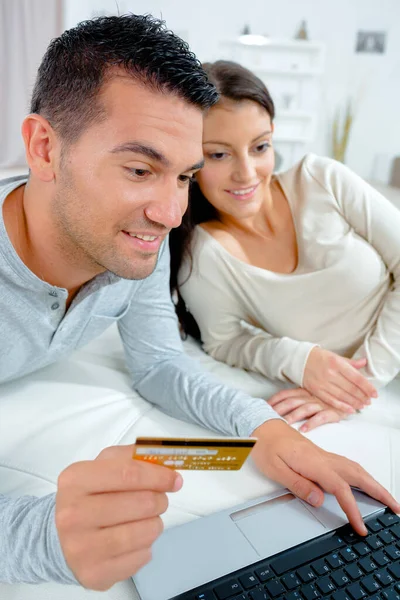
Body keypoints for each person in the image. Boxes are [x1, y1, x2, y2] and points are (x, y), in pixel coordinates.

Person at [0, 18, 398, 593]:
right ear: (43, 148)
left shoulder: (140, 238)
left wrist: (267, 431)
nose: (171, 212)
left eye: (185, 175)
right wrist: (38, 539)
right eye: (140, 169)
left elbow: (161, 364)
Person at [170, 60, 400, 434]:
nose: (246, 172)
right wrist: (298, 358)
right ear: (190, 160)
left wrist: (364, 383)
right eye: (218, 154)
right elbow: (224, 341)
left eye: (260, 146)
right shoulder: (206, 254)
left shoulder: (321, 180)